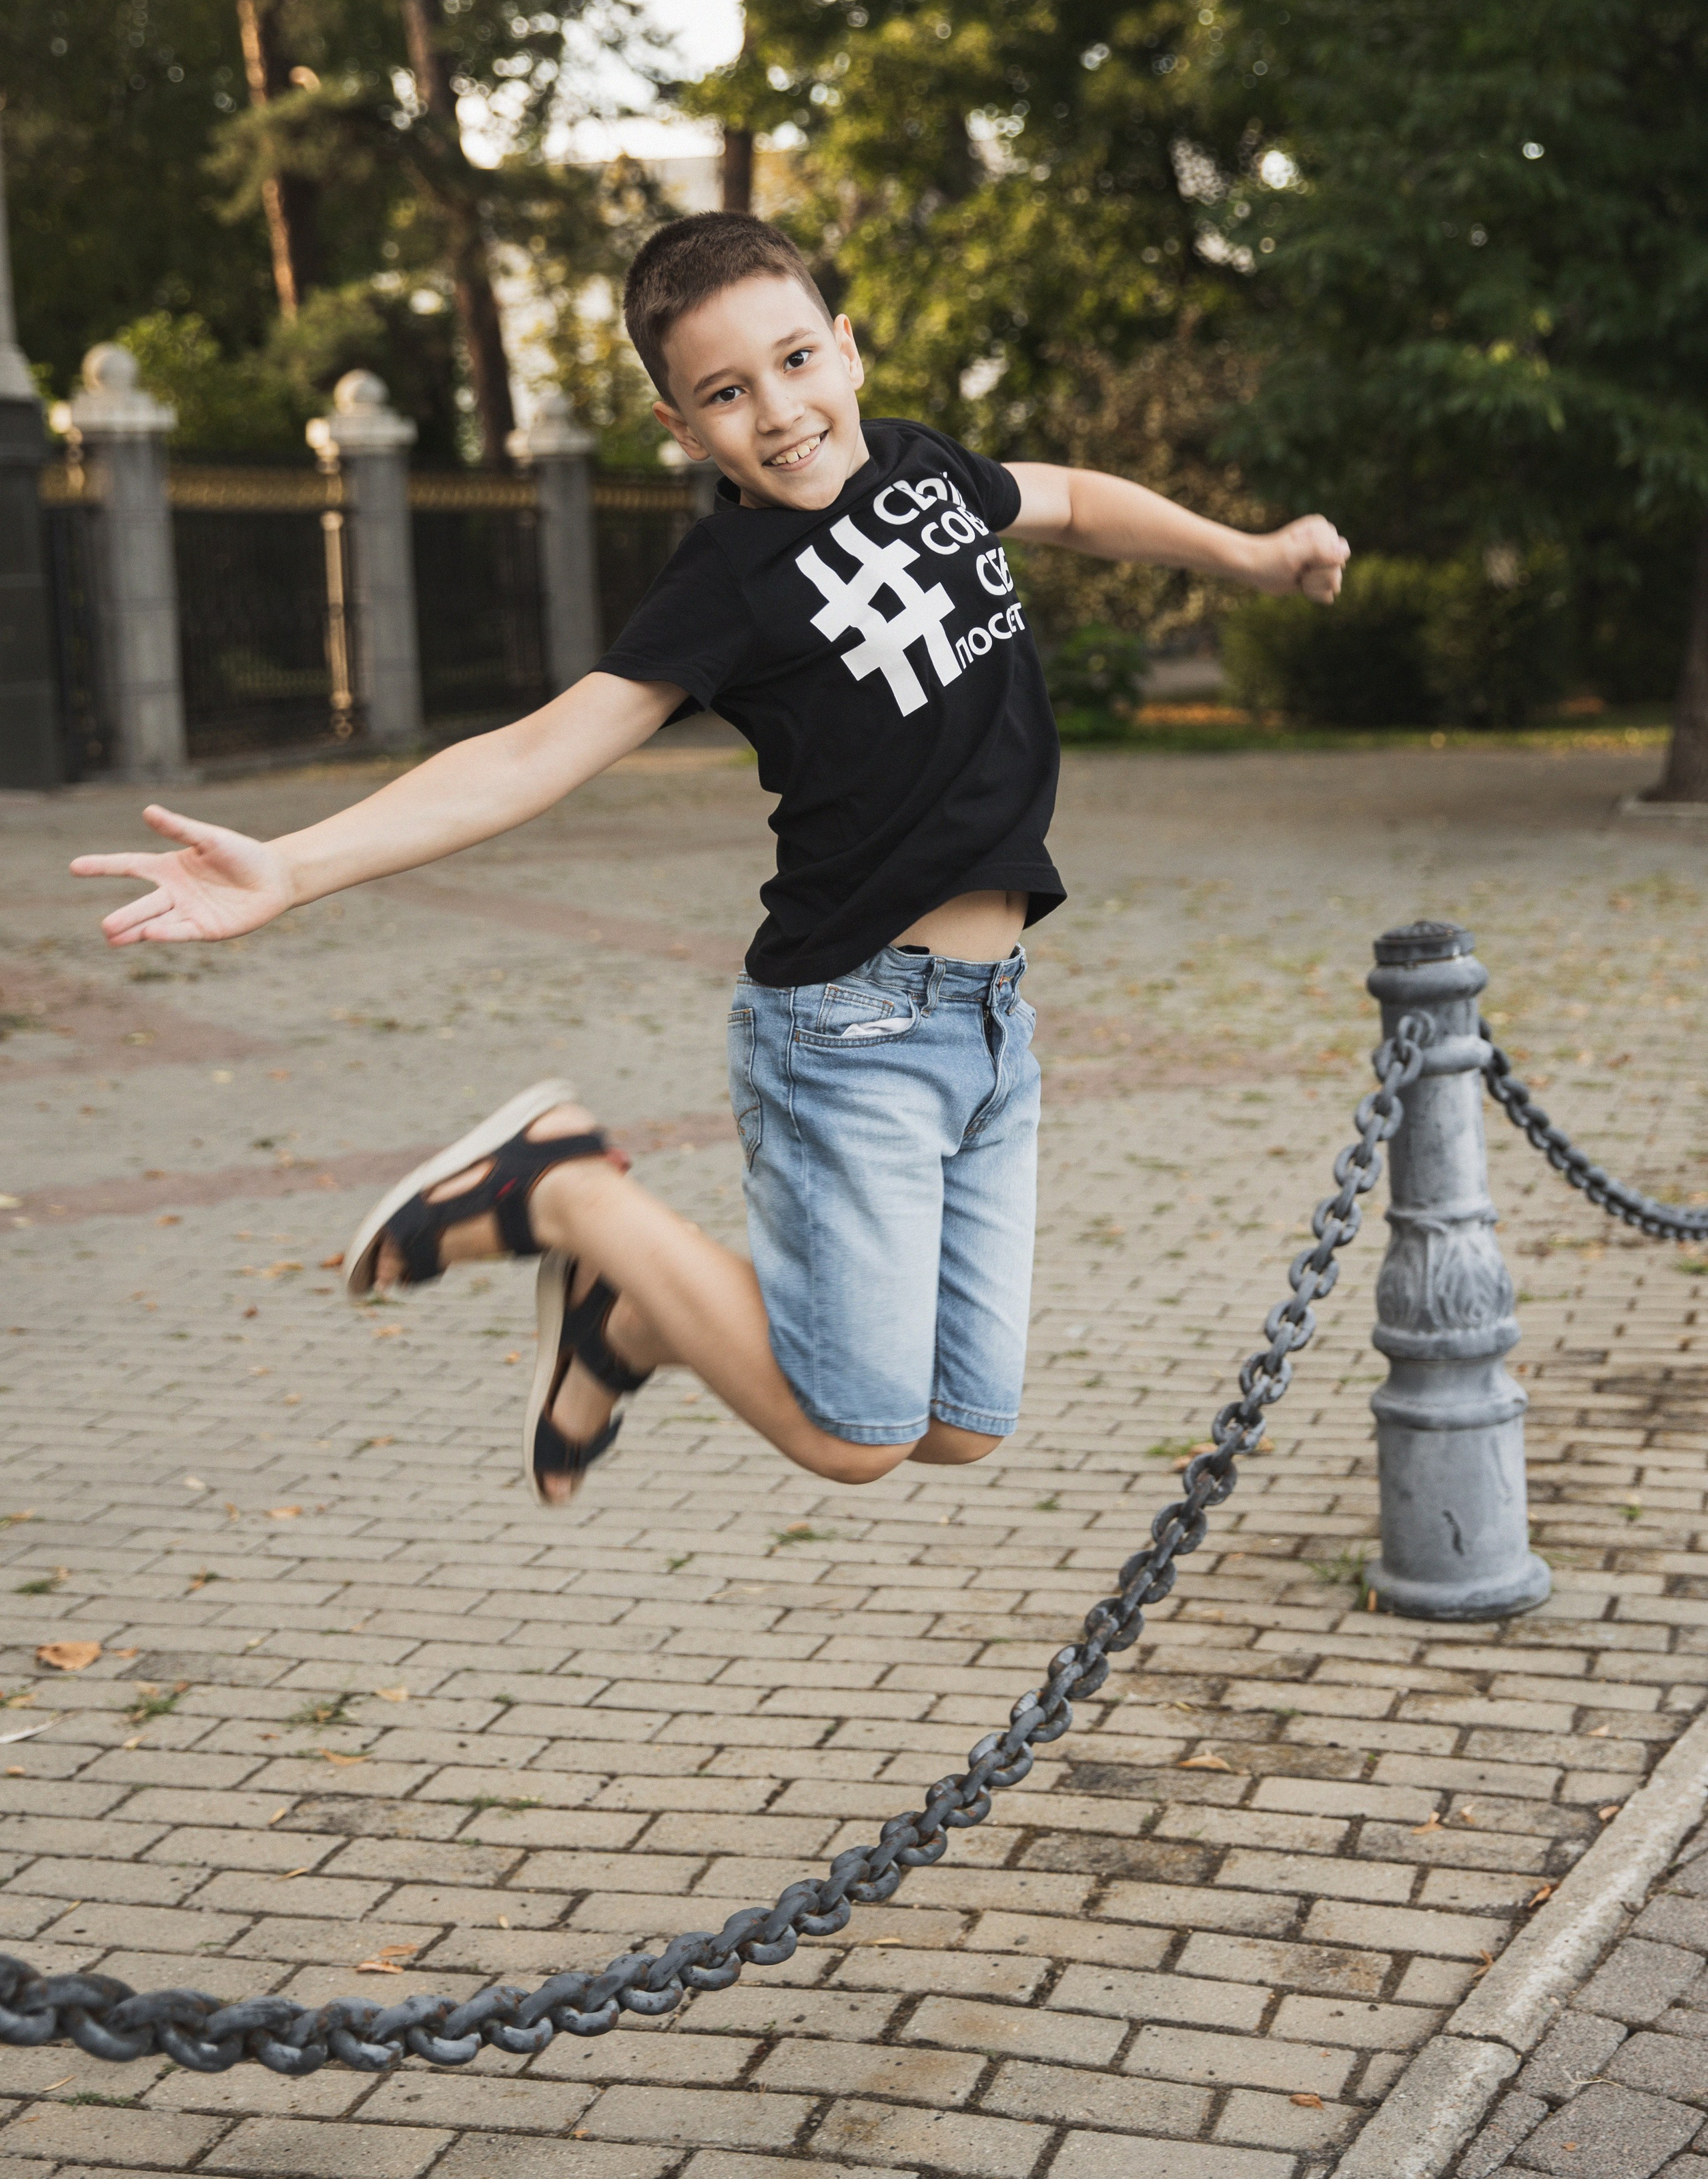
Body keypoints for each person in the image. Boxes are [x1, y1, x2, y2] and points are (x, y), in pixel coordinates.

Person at [72, 212, 1348, 1510]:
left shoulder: (921, 466)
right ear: (682, 429)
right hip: (852, 1022)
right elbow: (536, 751)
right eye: (726, 393)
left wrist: (1248, 556)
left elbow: (1072, 500)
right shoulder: (730, 579)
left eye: (796, 362)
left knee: (958, 1423)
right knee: (852, 1434)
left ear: (845, 351)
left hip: (986, 1022)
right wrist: (292, 865)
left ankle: (620, 1323)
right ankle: (561, 1190)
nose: (779, 411)